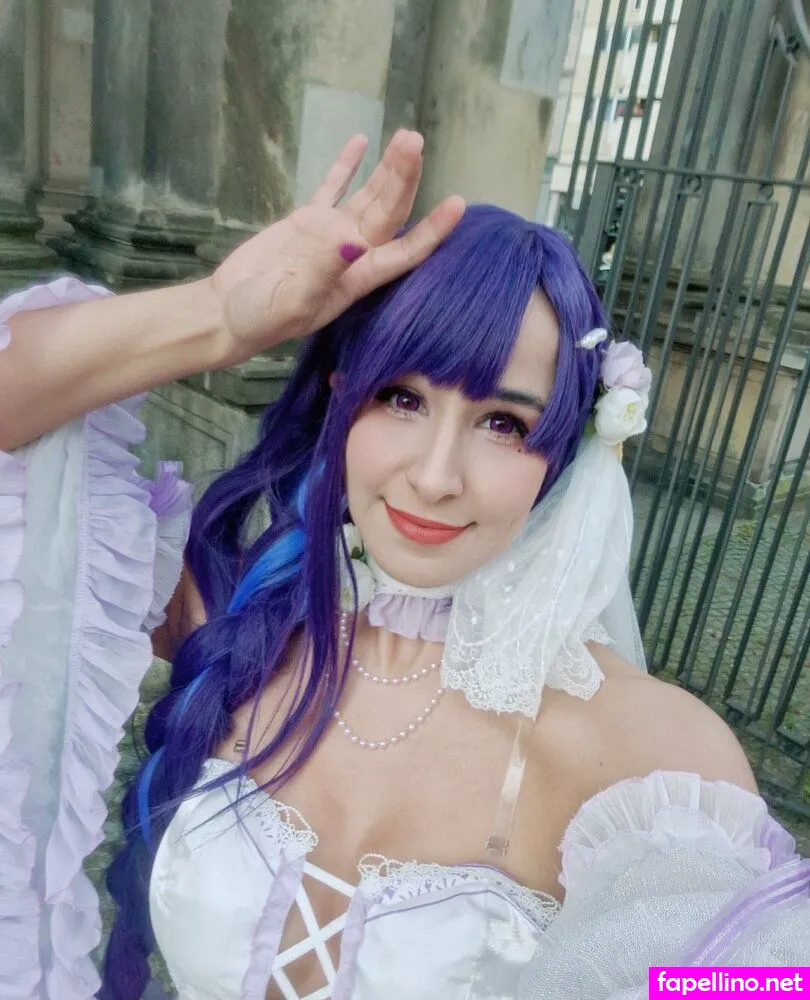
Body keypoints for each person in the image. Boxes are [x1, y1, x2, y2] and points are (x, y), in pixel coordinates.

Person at [0, 130, 806, 1000]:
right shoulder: (232, 616)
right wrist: (220, 315)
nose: (434, 475)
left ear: (564, 452)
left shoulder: (646, 758)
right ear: (341, 399)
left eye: (504, 423)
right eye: (402, 397)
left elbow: (761, 984)